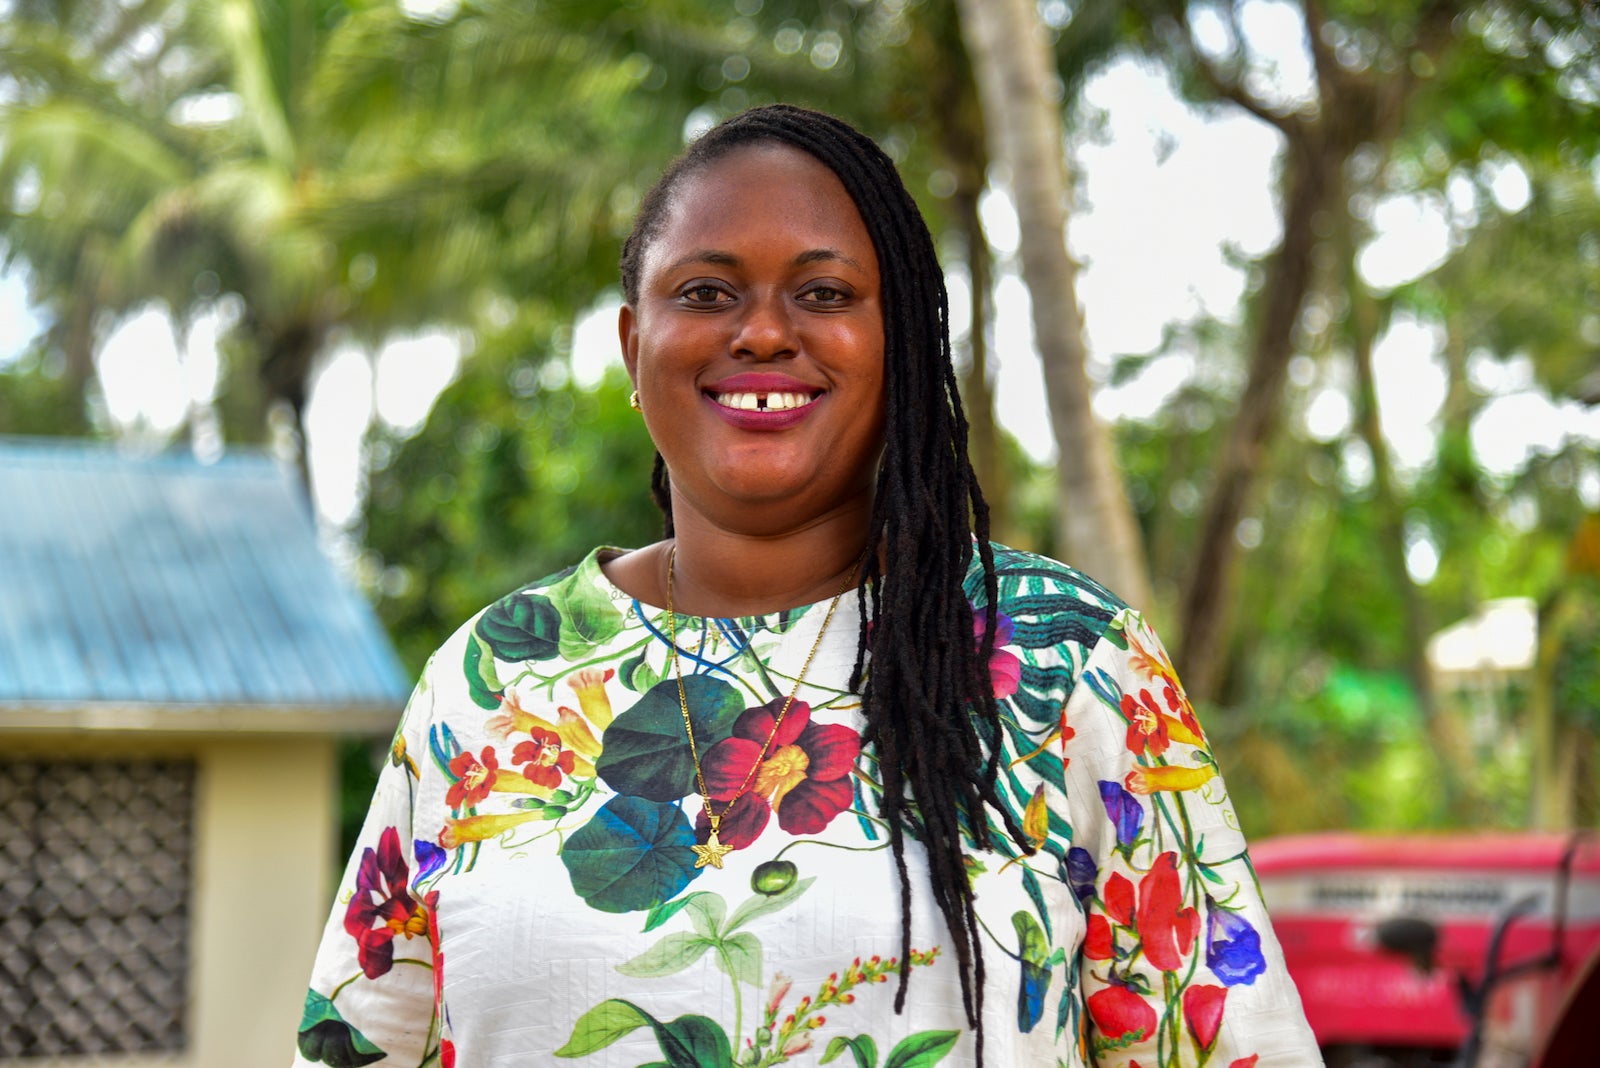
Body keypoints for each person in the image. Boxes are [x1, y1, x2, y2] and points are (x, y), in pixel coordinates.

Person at [293, 104, 1321, 1068]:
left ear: (901, 341)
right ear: (629, 343)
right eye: (705, 292)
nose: (763, 334)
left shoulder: (1063, 659)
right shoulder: (492, 678)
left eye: (823, 294)